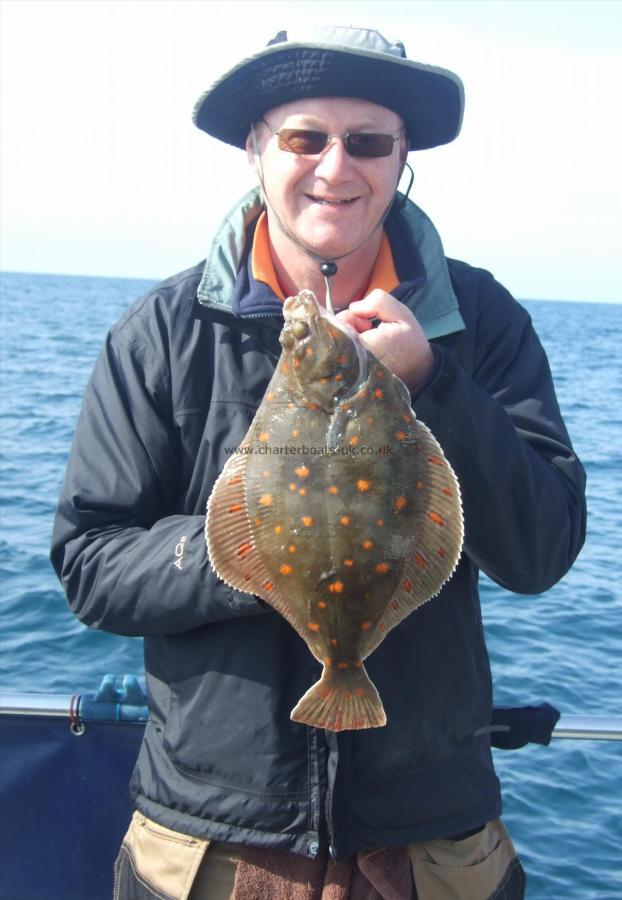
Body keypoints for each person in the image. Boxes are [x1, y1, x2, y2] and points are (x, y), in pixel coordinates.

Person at [51, 25, 586, 900]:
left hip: (429, 849)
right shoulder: (160, 334)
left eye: (368, 141)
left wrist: (437, 384)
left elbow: (543, 551)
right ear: (256, 151)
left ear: (401, 159)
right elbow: (90, 566)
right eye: (305, 137)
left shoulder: (481, 324)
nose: (336, 168)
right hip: (215, 849)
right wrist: (265, 552)